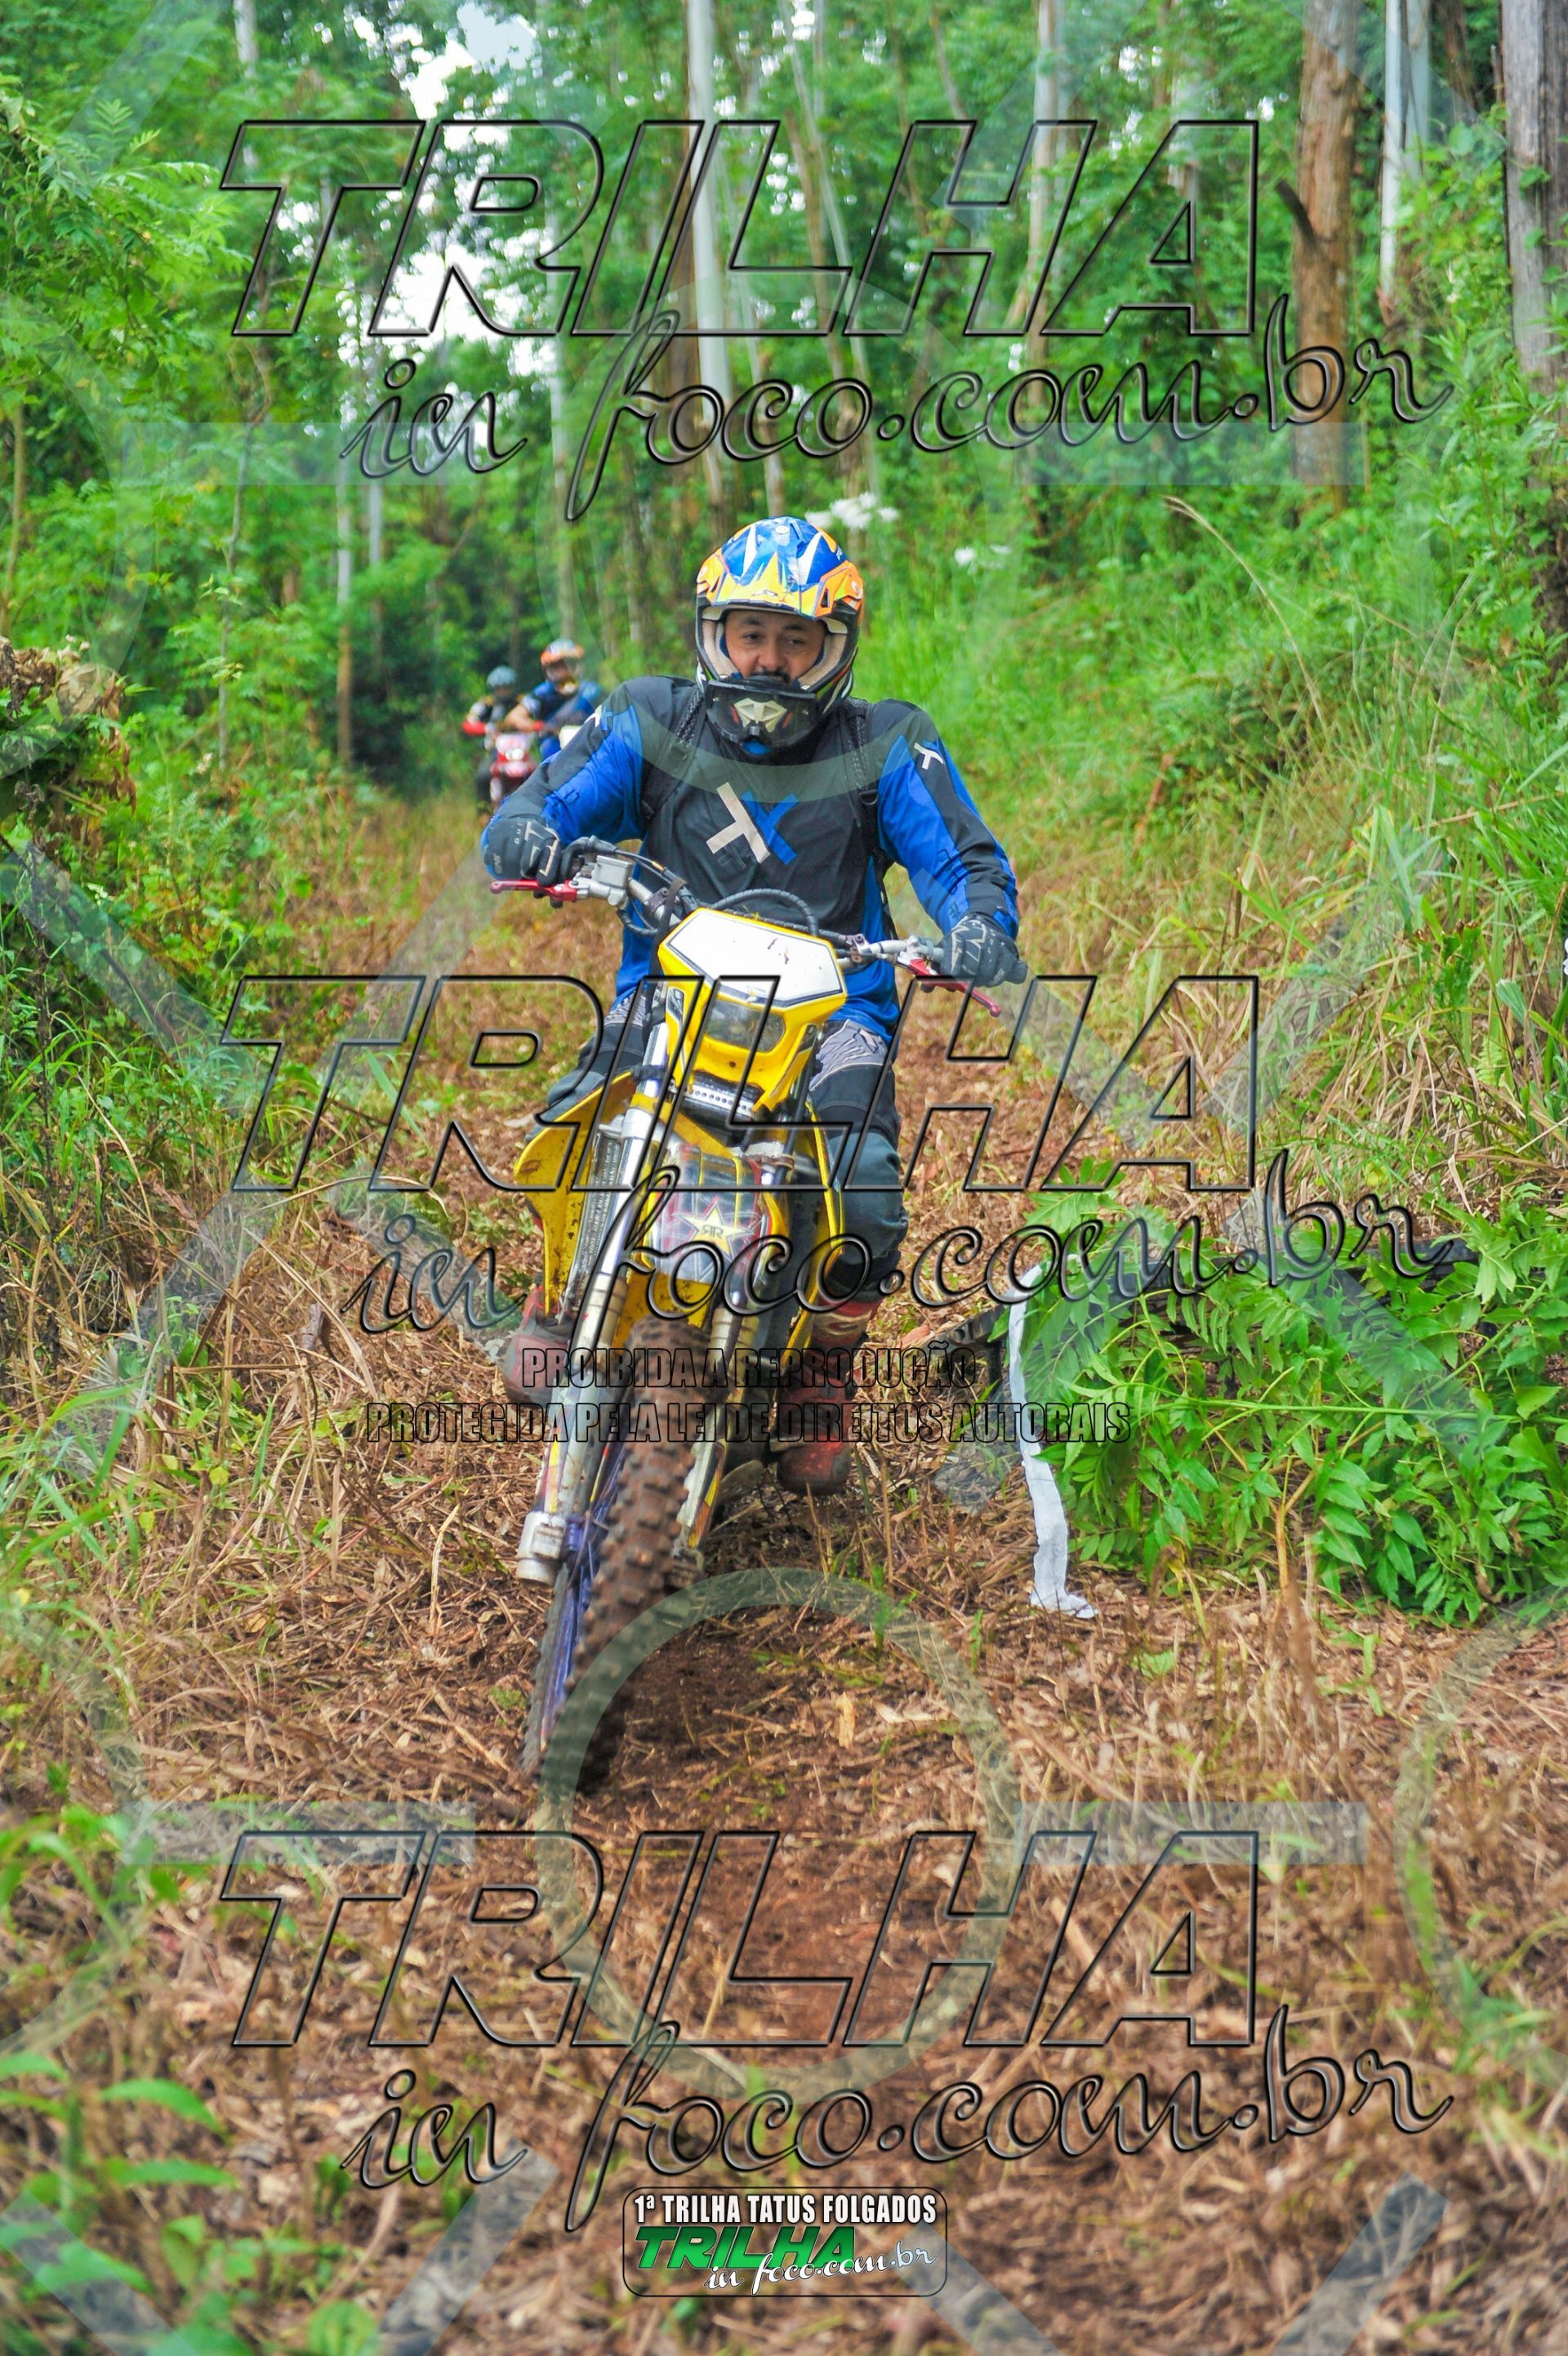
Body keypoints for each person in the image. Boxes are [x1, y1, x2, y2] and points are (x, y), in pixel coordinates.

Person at [481, 515, 1023, 1494]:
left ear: (834, 646)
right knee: (577, 1117)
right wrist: (526, 832)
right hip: (668, 992)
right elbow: (546, 796)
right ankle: (560, 1291)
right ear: (713, 632)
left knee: (865, 1192)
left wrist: (980, 923)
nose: (769, 661)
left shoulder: (885, 741)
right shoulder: (650, 718)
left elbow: (964, 862)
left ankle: (823, 1363)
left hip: (836, 1015)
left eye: (795, 640)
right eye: (750, 635)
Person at [503, 637, 602, 761]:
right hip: (554, 752)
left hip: (591, 749)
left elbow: (614, 713)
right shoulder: (542, 693)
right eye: (557, 666)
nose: (564, 670)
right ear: (549, 669)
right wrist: (539, 726)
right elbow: (513, 717)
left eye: (568, 664)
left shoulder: (591, 691)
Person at [462, 664, 518, 804]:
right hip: (496, 753)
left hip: (521, 751)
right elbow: (468, 723)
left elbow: (537, 719)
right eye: (499, 688)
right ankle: (484, 809)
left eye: (506, 688)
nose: (503, 692)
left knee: (540, 772)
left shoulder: (521, 703)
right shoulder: (486, 705)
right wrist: (486, 728)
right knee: (483, 776)